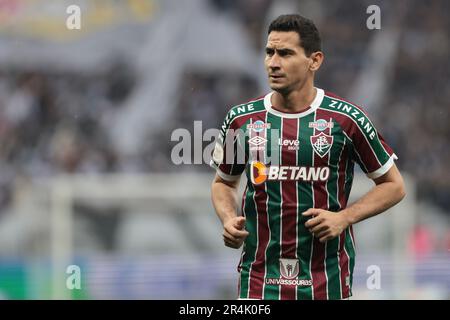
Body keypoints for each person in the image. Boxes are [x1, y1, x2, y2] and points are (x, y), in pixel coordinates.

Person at [210, 14, 405, 300]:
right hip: (259, 282)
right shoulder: (242, 120)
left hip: (327, 281)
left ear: (314, 60)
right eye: (269, 52)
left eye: (285, 53)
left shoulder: (346, 120)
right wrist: (228, 218)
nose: (273, 62)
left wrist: (344, 218)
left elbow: (394, 186)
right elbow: (223, 184)